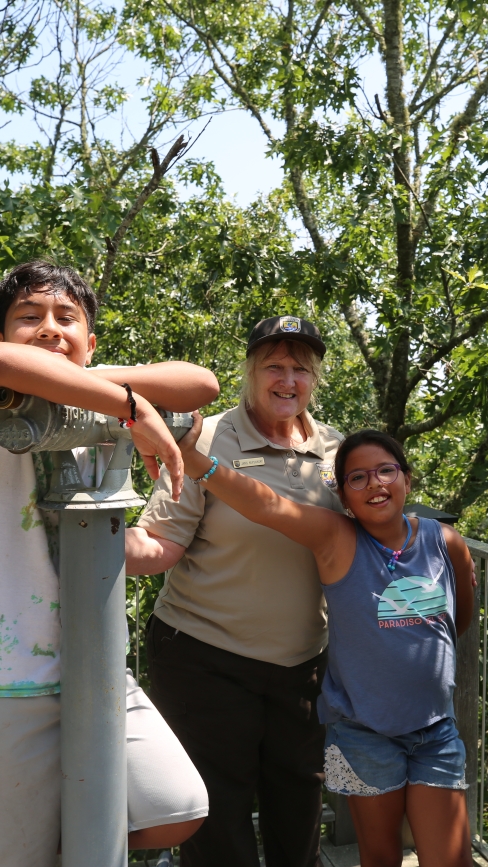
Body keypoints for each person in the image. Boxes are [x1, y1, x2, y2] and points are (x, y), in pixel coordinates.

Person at [0, 260, 216, 867]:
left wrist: (97, 385)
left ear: (91, 341)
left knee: (175, 806)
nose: (50, 328)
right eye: (29, 317)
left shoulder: (89, 396)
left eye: (67, 318)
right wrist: (133, 408)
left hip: (90, 665)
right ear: (2, 334)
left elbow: (201, 384)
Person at [171, 421, 476, 867]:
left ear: (407, 479)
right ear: (344, 496)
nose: (375, 483)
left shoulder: (445, 542)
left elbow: (456, 621)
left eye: (386, 471)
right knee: (380, 858)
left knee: (452, 861)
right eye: (358, 477)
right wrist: (196, 460)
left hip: (436, 731)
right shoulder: (337, 538)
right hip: (364, 736)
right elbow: (266, 505)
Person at [125, 316, 345, 867]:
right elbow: (161, 542)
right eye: (274, 366)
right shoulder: (206, 439)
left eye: (301, 369)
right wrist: (86, 541)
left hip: (302, 667)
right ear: (250, 371)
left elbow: (357, 545)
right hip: (205, 658)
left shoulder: (337, 452)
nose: (288, 380)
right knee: (217, 823)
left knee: (299, 812)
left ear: (315, 378)